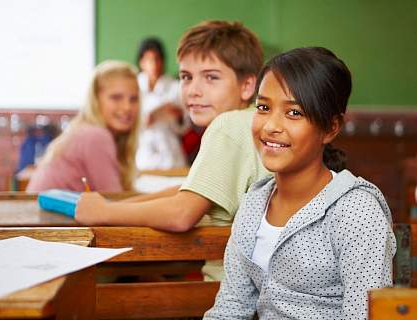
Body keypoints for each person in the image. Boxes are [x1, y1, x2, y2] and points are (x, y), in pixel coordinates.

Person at [204, 47, 397, 319]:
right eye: (263, 107)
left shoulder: (356, 211)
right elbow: (231, 307)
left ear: (331, 127)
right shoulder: (254, 202)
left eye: (294, 113)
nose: (271, 125)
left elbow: (363, 315)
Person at [75, 20, 270, 280]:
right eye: (186, 77)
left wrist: (105, 212)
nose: (194, 90)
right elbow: (188, 191)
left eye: (211, 77)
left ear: (247, 85)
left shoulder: (228, 126)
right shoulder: (251, 122)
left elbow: (182, 214)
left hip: (223, 296)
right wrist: (116, 204)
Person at [27, 60, 139, 192]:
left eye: (133, 99)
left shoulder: (86, 130)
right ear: (95, 100)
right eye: (116, 97)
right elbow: (115, 200)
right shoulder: (95, 136)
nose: (127, 107)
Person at [135, 37, 189, 170]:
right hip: (142, 155)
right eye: (149, 60)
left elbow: (184, 126)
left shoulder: (175, 87)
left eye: (157, 59)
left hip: (170, 154)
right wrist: (143, 122)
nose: (154, 64)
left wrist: (179, 116)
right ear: (141, 62)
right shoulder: (134, 87)